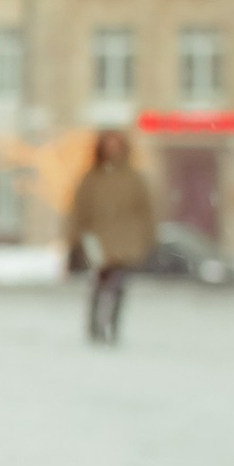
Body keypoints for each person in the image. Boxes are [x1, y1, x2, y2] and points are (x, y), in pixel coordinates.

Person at [70, 127, 157, 342]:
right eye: (109, 144)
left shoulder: (134, 179)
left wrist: (147, 238)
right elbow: (80, 212)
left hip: (126, 241)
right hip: (98, 241)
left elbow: (146, 211)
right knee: (100, 283)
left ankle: (112, 327)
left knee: (119, 285)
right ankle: (95, 327)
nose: (112, 149)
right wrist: (76, 239)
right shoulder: (91, 179)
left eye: (116, 144)